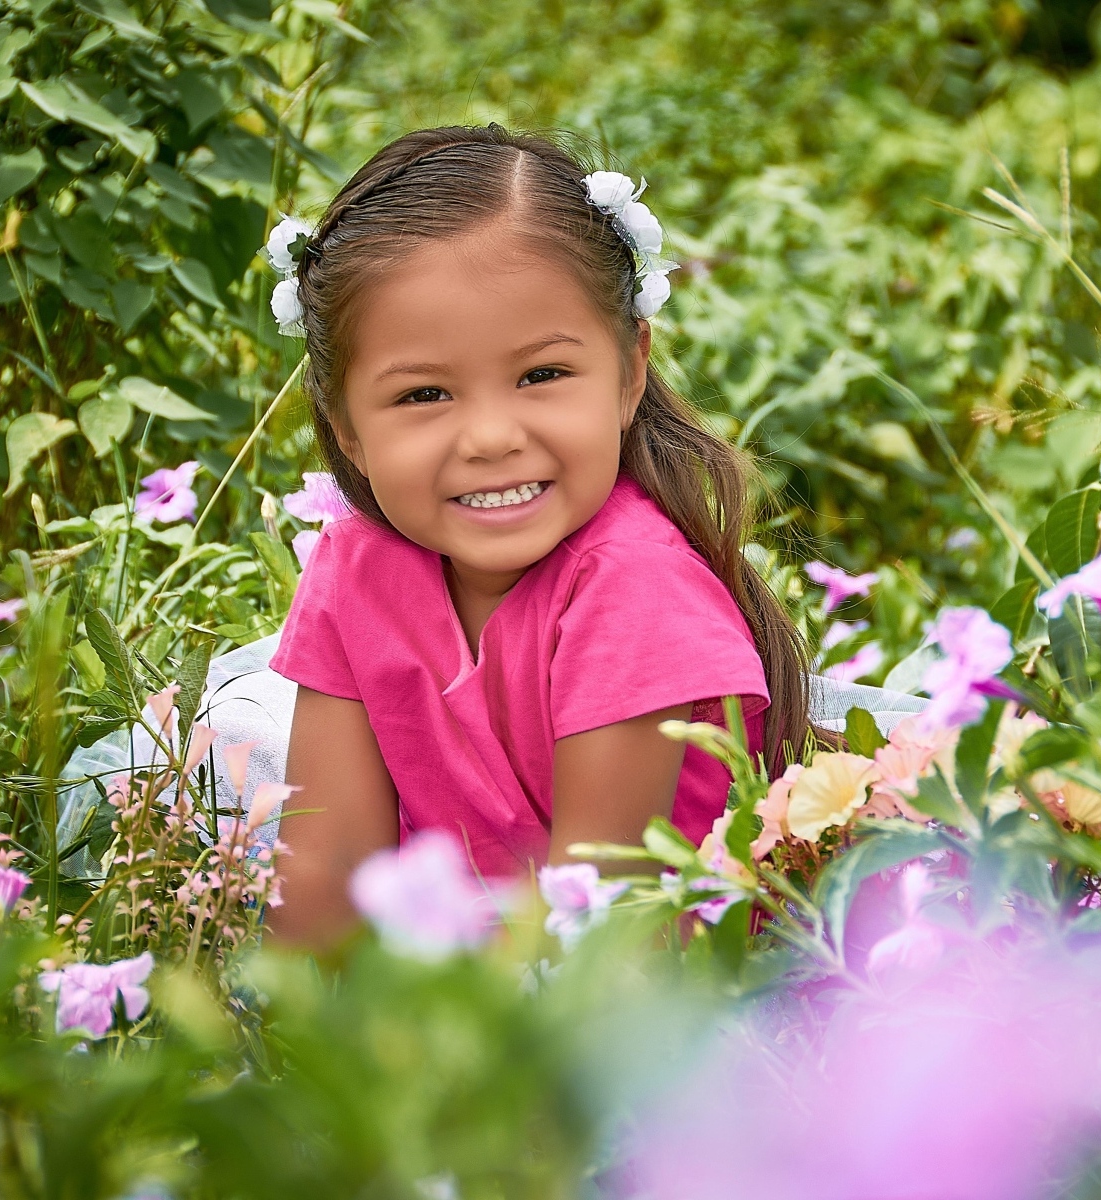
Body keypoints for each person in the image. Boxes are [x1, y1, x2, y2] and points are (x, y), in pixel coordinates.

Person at [264, 124, 809, 944]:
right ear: (344, 424)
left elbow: (601, 937)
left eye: (542, 376)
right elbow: (323, 898)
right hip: (466, 999)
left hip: (661, 1020)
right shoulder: (356, 571)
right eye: (423, 395)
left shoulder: (632, 586)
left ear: (630, 372)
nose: (489, 437)